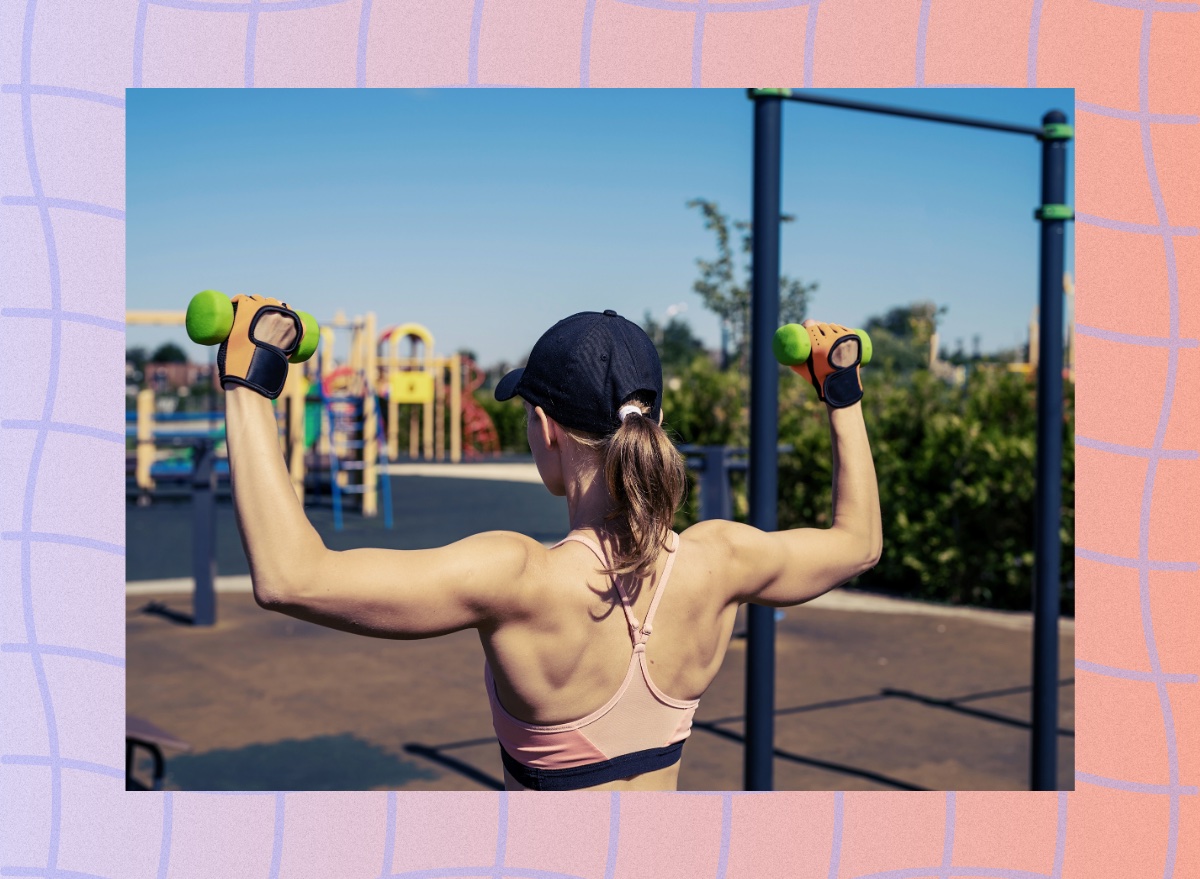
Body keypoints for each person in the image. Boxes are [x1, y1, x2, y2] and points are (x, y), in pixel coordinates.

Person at [219, 296, 882, 792]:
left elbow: (291, 576)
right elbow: (858, 543)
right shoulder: (720, 559)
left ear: (545, 426)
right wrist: (840, 391)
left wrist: (249, 379)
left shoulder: (520, 578)